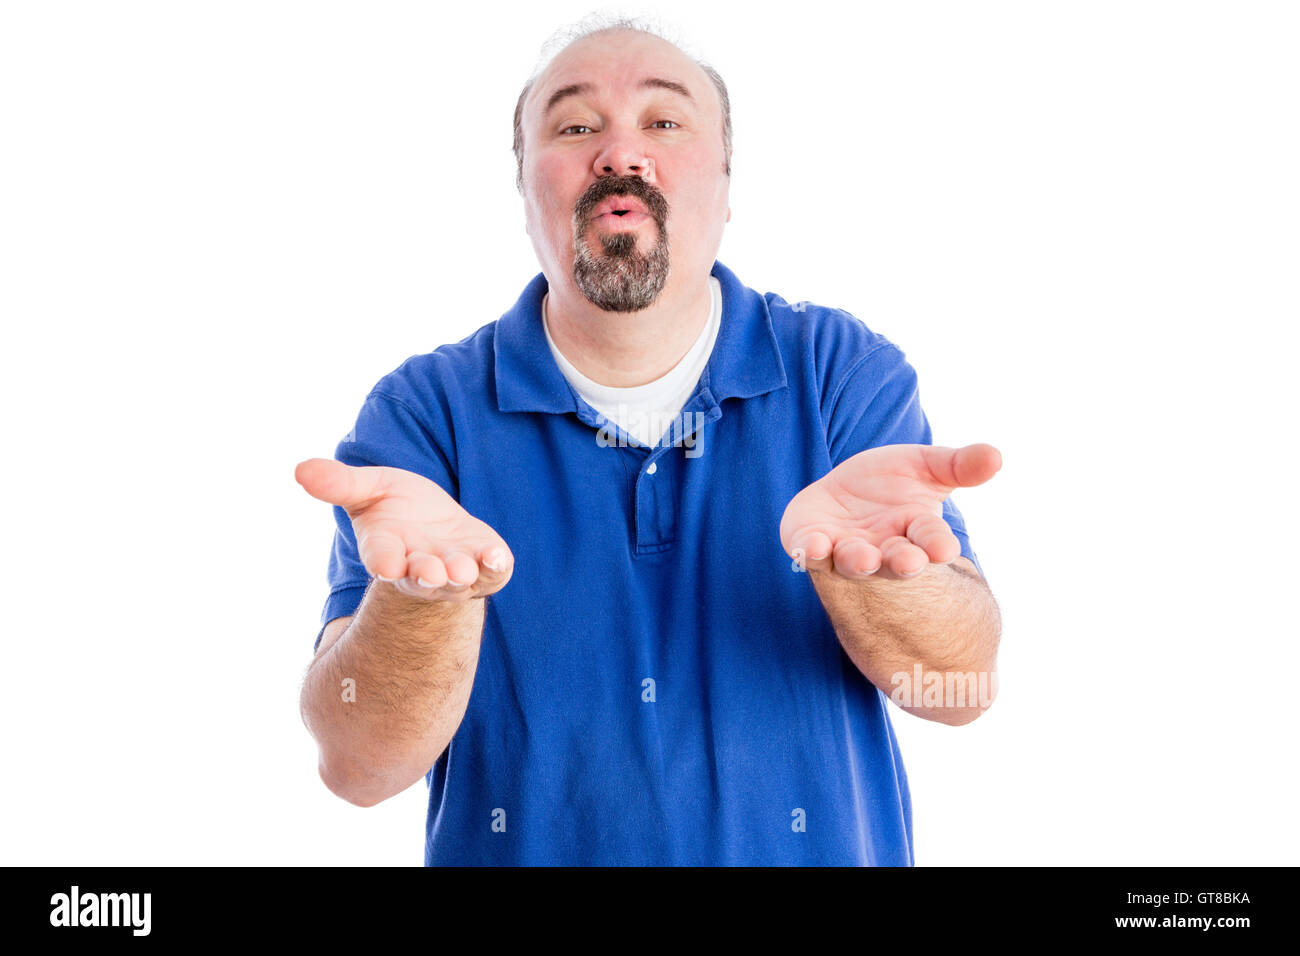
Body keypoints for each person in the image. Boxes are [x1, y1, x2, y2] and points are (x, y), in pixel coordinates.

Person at [295, 15, 1003, 866]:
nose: (620, 153)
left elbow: (960, 690)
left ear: (728, 185)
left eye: (664, 122)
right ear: (526, 192)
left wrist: (889, 581)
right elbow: (359, 769)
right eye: (575, 125)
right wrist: (421, 604)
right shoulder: (422, 414)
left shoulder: (840, 373)